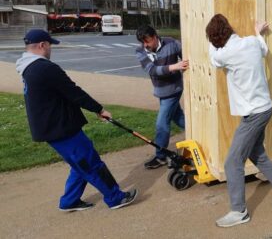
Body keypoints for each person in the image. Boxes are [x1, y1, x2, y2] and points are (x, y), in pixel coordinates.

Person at [15, 29, 137, 212]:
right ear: (42, 45)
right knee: (90, 162)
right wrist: (99, 109)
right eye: (49, 45)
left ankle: (69, 201)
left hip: (53, 126)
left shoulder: (28, 67)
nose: (50, 49)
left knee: (79, 164)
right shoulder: (44, 67)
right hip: (60, 128)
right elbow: (74, 92)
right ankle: (116, 197)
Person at [206, 14, 272, 228]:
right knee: (256, 154)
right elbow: (263, 48)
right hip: (264, 108)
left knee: (232, 162)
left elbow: (213, 59)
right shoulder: (249, 42)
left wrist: (209, 42)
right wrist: (258, 31)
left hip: (254, 114)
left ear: (215, 37)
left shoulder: (225, 53)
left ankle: (239, 212)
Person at [135, 25, 188, 169]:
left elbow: (187, 56)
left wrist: (185, 64)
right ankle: (198, 133)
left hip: (174, 89)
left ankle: (161, 156)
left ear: (155, 36)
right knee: (179, 118)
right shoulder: (140, 51)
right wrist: (174, 67)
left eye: (148, 41)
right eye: (143, 42)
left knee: (161, 124)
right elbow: (152, 70)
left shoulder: (171, 43)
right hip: (161, 91)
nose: (146, 45)